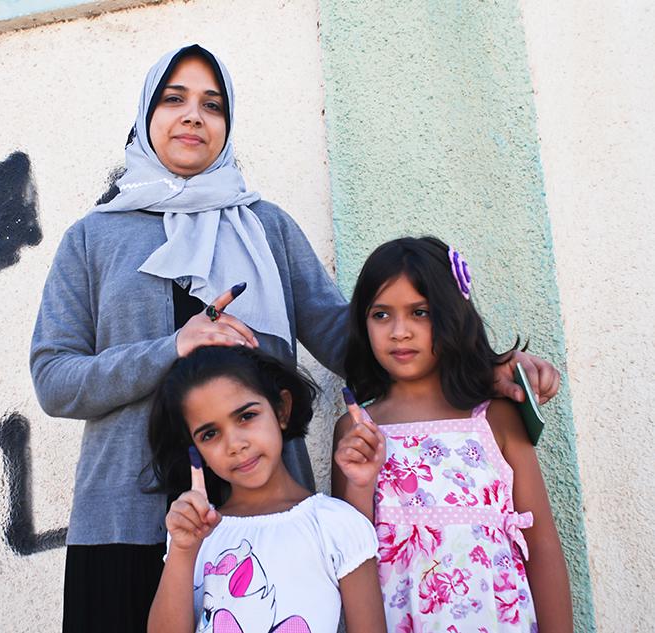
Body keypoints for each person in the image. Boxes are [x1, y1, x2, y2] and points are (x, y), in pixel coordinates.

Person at [29, 43, 561, 631]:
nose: (192, 116)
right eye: (173, 99)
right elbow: (55, 380)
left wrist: (478, 369)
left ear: (227, 126)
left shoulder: (268, 226)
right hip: (124, 519)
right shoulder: (92, 237)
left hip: (270, 521)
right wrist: (174, 347)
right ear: (144, 116)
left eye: (213, 104)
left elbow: (351, 340)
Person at [332, 237, 573, 632]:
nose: (399, 331)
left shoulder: (495, 419)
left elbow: (542, 544)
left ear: (451, 314)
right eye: (381, 315)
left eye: (420, 312)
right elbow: (352, 557)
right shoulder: (357, 430)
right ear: (362, 323)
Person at [147, 345, 385, 633]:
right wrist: (183, 551)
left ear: (282, 410)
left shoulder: (335, 524)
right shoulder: (194, 535)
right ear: (195, 451)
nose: (235, 444)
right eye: (210, 434)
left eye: (246, 416)